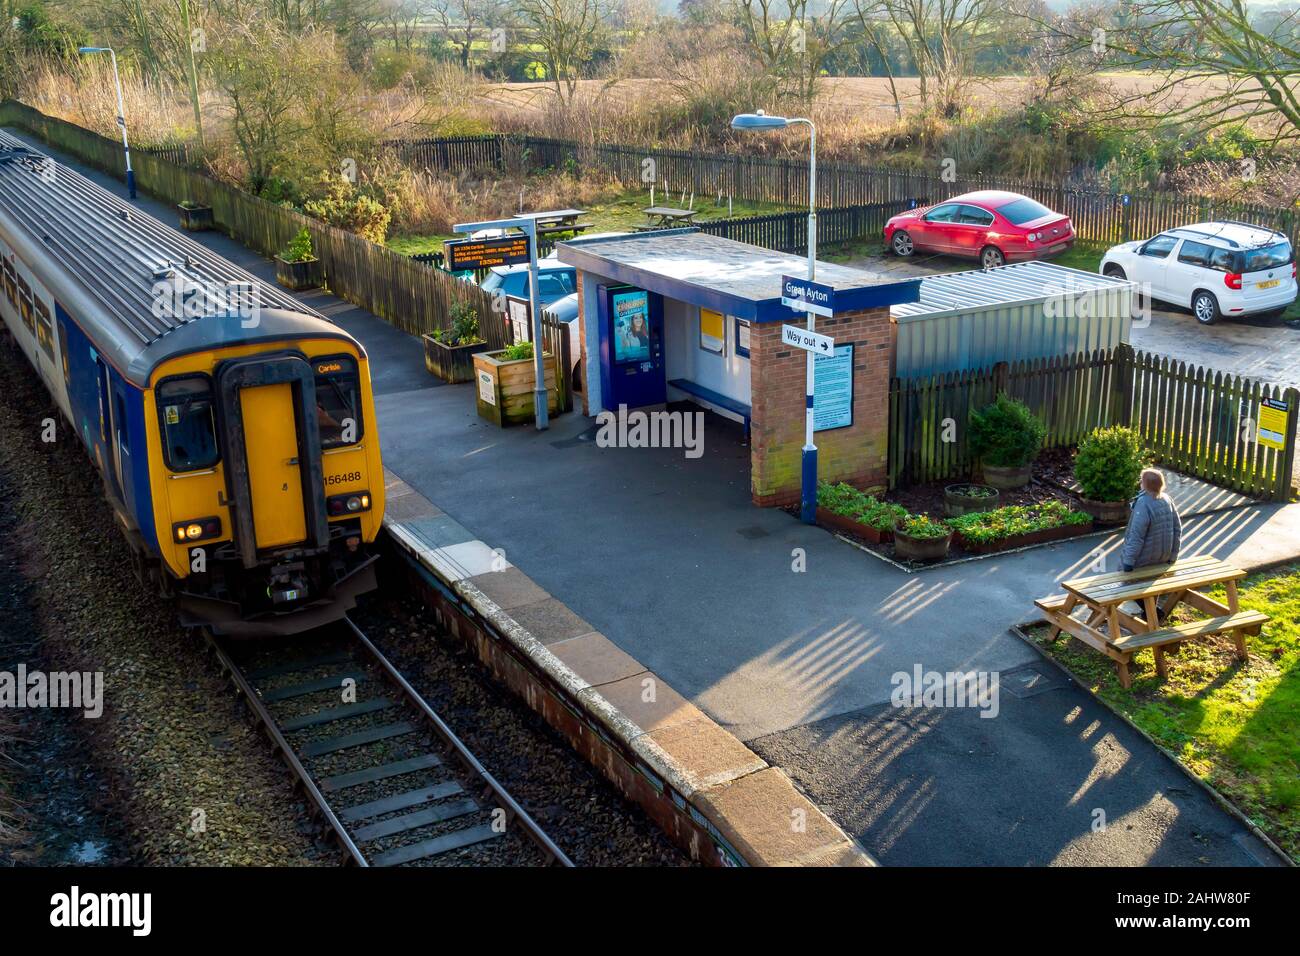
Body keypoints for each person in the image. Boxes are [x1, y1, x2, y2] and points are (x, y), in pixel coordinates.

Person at [1119, 468, 1182, 621]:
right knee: (1151, 581)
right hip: (1164, 555)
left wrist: (1128, 561)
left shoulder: (1143, 503)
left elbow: (1136, 536)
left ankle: (1152, 610)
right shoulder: (1167, 499)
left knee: (1127, 582)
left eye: (1141, 481)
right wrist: (1173, 555)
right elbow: (1177, 528)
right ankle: (1150, 613)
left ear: (1145, 485)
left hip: (1144, 558)